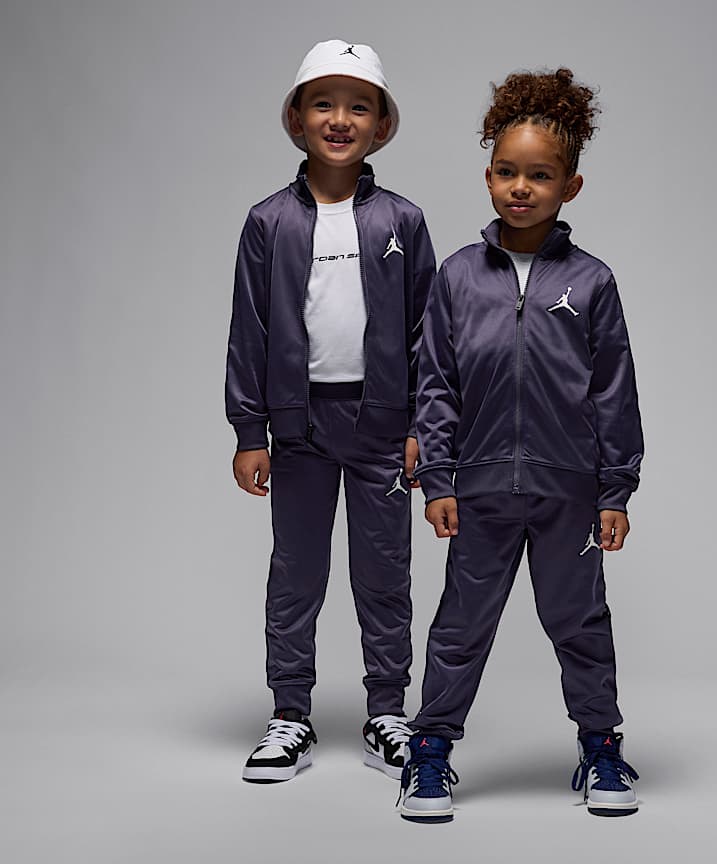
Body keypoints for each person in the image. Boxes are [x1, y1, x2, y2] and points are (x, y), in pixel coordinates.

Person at [398, 68, 643, 821]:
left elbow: (614, 392)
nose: (521, 188)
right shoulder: (457, 277)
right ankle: (429, 752)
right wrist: (439, 479)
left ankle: (601, 748)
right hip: (478, 491)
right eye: (507, 172)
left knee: (580, 623)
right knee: (461, 625)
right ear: (488, 177)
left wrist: (615, 491)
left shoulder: (592, 282)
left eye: (540, 175)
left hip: (569, 493)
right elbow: (436, 384)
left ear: (570, 186)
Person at [225, 39, 436, 783]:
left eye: (358, 106)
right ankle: (290, 715)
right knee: (297, 573)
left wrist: (424, 427)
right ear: (296, 118)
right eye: (323, 103)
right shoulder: (268, 222)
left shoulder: (403, 222)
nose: (340, 119)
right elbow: (249, 330)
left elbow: (428, 334)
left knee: (384, 573)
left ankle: (388, 713)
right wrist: (250, 430)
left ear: (382, 124)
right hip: (299, 428)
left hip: (383, 428)